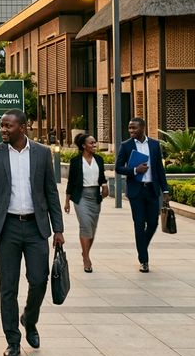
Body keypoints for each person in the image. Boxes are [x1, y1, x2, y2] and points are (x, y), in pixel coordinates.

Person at [0, 109, 64, 356]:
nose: (3, 130)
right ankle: (13, 341)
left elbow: (51, 192)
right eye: (2, 126)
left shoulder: (41, 153)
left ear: (23, 128)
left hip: (36, 227)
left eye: (9, 126)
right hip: (7, 228)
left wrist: (58, 228)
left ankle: (30, 317)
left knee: (39, 280)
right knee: (8, 287)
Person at [115, 117, 170, 273]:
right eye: (129, 128)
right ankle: (144, 260)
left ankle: (141, 247)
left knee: (153, 223)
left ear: (143, 128)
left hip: (152, 190)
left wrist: (165, 191)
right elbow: (118, 168)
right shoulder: (126, 146)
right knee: (139, 224)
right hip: (136, 191)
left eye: (134, 128)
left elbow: (159, 169)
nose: (131, 131)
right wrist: (134, 170)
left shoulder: (154, 144)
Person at [64, 134, 108, 272]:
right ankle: (86, 259)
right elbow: (71, 181)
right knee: (85, 225)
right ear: (83, 145)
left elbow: (101, 177)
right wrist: (67, 201)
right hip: (80, 196)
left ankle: (85, 252)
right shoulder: (76, 161)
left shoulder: (99, 160)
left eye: (95, 143)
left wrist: (105, 185)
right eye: (91, 143)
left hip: (95, 196)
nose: (94, 145)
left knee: (92, 227)